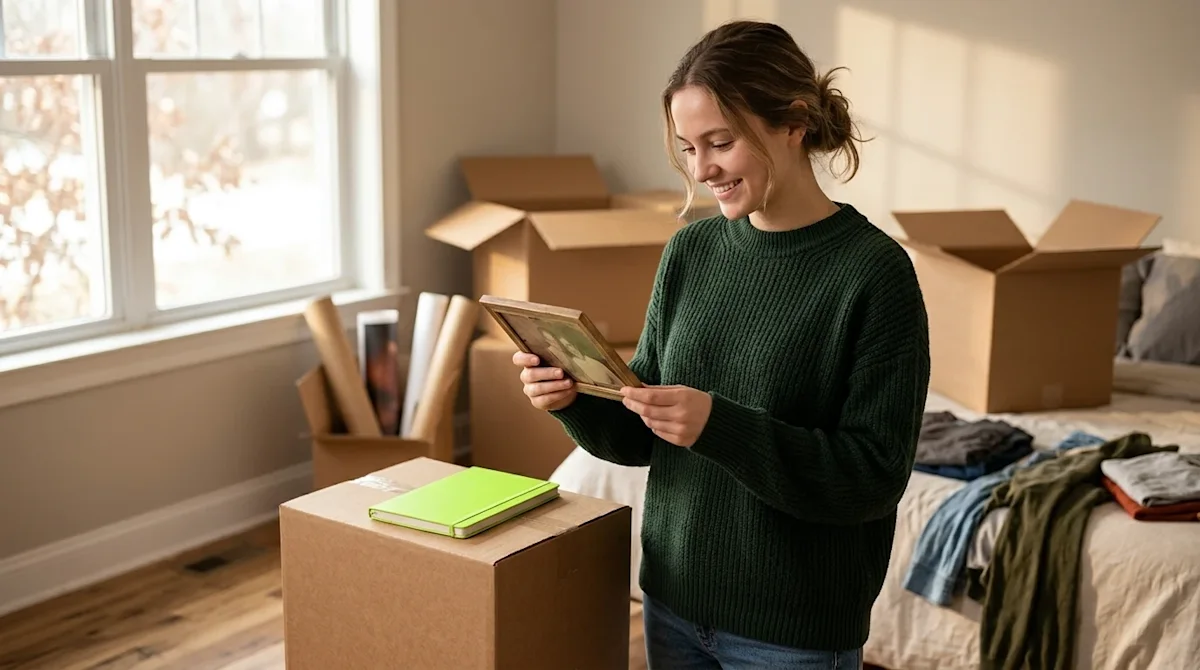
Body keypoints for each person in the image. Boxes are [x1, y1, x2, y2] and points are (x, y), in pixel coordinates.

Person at [513, 19, 930, 670]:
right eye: (687, 148)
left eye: (720, 142)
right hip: (673, 600)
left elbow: (871, 478)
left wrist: (720, 425)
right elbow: (640, 432)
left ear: (793, 122)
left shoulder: (873, 274)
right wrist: (571, 397)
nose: (702, 169)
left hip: (793, 632)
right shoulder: (691, 251)